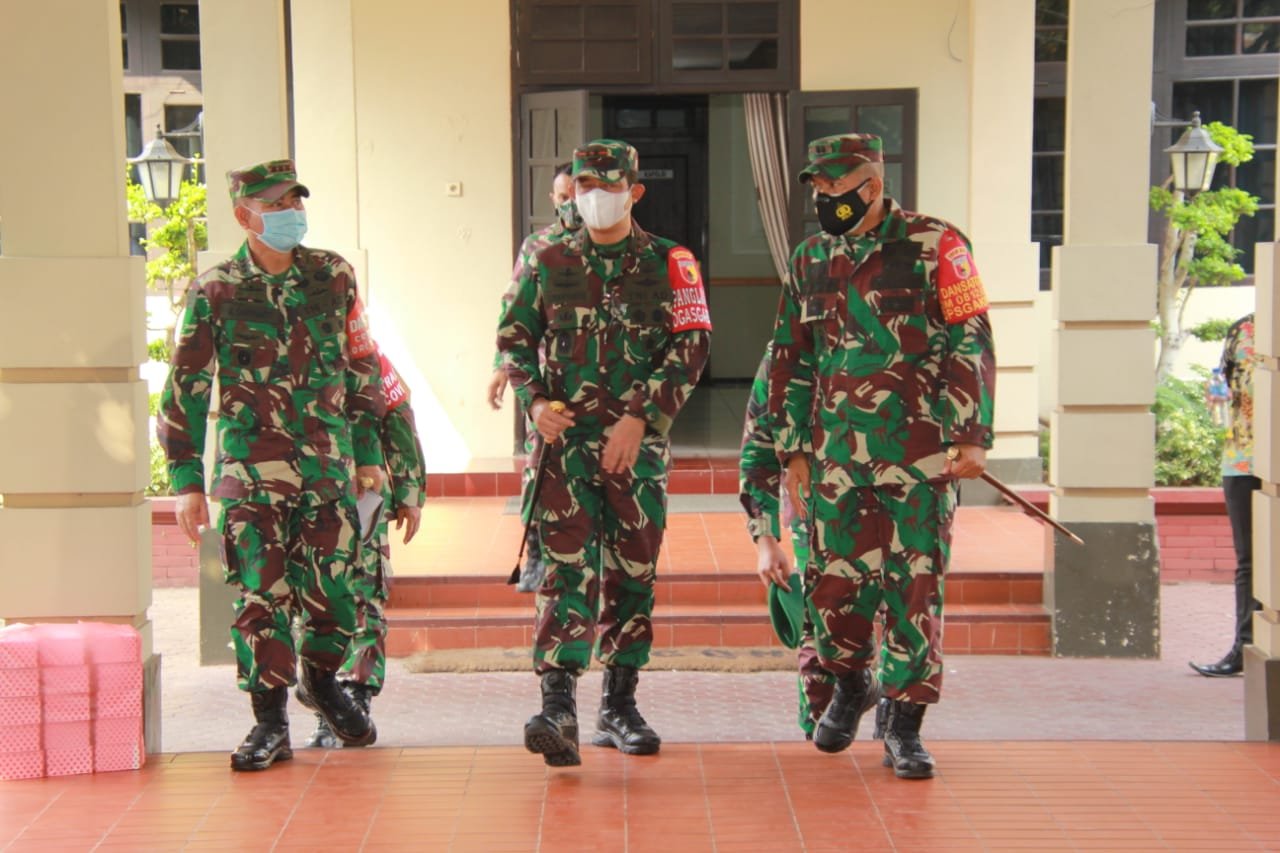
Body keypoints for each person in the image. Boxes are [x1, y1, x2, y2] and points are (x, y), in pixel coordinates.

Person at [769, 134, 995, 779]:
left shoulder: (937, 244)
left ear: (872, 185)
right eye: (819, 188)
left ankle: (903, 724)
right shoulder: (810, 257)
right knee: (833, 587)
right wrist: (792, 449)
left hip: (918, 457)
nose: (825, 198)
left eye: (836, 187)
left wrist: (971, 432)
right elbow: (790, 355)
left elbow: (971, 339)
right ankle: (850, 682)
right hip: (835, 460)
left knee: (914, 590)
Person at [158, 159, 386, 771]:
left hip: (327, 470)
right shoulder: (216, 290)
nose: (291, 212)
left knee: (334, 594)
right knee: (261, 599)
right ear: (245, 215)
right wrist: (186, 481)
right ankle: (269, 723)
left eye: (295, 201)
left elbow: (361, 367)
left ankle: (322, 681)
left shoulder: (333, 276)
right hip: (250, 474)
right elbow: (184, 390)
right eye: (277, 203)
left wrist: (369, 456)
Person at [498, 139, 712, 767]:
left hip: (633, 452)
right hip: (562, 448)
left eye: (607, 185)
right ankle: (557, 706)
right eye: (584, 185)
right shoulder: (546, 255)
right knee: (563, 573)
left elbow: (692, 346)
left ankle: (619, 705)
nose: (593, 196)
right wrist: (534, 402)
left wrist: (642, 417)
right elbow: (513, 337)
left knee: (632, 572)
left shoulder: (671, 261)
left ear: (634, 192)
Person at [306, 350, 426, 747]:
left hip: (364, 498)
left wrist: (409, 493)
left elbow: (399, 421)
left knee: (364, 591)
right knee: (317, 596)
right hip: (310, 497)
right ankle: (323, 695)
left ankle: (356, 694)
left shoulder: (369, 358)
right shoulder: (295, 347)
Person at [740, 341, 836, 738]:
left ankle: (897, 724)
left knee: (901, 611)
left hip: (896, 503)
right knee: (818, 611)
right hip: (814, 506)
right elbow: (758, 448)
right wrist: (764, 538)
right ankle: (820, 723)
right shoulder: (787, 352)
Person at [1191, 313, 1260, 678]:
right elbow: (1223, 387)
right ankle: (1244, 648)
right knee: (1249, 561)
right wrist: (1216, 395)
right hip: (1242, 459)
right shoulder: (1243, 330)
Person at [487, 162, 581, 411]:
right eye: (563, 197)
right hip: (546, 376)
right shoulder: (537, 245)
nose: (570, 204)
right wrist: (501, 366)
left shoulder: (606, 246)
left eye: (576, 197)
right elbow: (512, 308)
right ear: (553, 199)